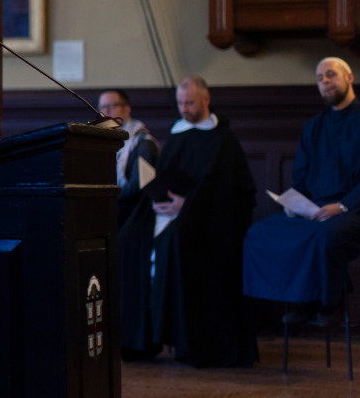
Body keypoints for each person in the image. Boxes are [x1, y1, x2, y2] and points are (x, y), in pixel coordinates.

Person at [119, 76, 258, 367]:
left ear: (206, 101)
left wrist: (189, 204)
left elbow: (233, 190)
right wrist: (158, 196)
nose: (184, 108)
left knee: (174, 241)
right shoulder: (178, 133)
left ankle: (186, 341)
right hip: (167, 209)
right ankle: (138, 341)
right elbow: (167, 174)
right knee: (129, 237)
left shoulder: (223, 139)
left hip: (207, 217)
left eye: (190, 102)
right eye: (180, 103)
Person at [243, 57, 360, 324]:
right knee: (261, 232)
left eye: (331, 75)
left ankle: (328, 306)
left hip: (353, 210)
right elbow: (301, 179)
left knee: (325, 236)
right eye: (320, 79)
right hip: (315, 209)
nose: (325, 82)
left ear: (349, 78)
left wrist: (342, 206)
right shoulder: (313, 127)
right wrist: (295, 203)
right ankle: (299, 301)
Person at [97, 89, 160, 227]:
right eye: (102, 107)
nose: (106, 111)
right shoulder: (98, 142)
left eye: (112, 106)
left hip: (133, 218)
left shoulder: (144, 144)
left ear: (127, 109)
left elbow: (139, 187)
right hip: (109, 211)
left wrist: (100, 196)